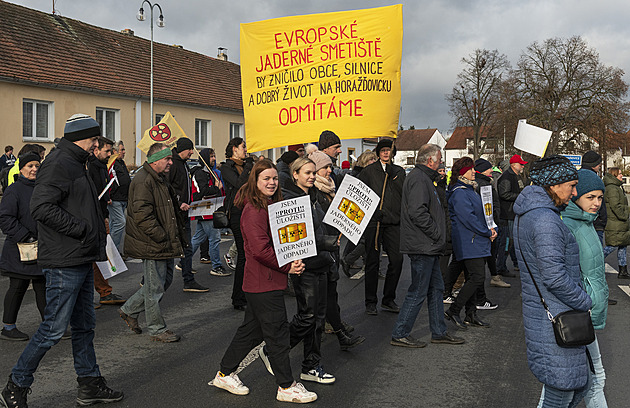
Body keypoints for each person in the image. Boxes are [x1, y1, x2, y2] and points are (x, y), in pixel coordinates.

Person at [0, 114, 123, 407]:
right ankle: (16, 385)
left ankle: (89, 384)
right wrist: (81, 229)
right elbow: (41, 207)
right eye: (95, 139)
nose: (98, 144)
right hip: (65, 259)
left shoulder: (77, 162)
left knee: (83, 326)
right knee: (54, 328)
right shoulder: (58, 164)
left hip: (80, 256)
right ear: (84, 137)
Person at [212, 159, 317, 404]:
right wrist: (288, 265)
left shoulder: (269, 205)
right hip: (263, 283)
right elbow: (260, 250)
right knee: (278, 335)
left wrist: (295, 258)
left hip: (264, 281)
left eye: (274, 178)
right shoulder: (254, 210)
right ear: (255, 182)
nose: (271, 183)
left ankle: (225, 373)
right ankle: (286, 386)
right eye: (265, 179)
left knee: (250, 333)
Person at [514, 155, 592, 408]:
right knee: (561, 392)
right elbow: (554, 276)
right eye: (571, 185)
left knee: (578, 385)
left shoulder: (532, 212)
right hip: (557, 316)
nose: (574, 191)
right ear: (553, 185)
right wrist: (584, 300)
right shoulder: (545, 219)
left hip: (547, 312)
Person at [390, 144, 465, 348]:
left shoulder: (424, 178)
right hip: (423, 245)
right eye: (439, 159)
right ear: (430, 160)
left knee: (435, 289)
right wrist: (437, 233)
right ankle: (400, 332)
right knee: (419, 290)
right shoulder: (418, 178)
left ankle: (439, 332)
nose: (441, 162)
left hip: (427, 244)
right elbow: (417, 212)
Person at [275, 157, 338, 382]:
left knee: (318, 318)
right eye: (307, 173)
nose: (312, 176)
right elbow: (299, 235)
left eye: (314, 172)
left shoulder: (312, 196)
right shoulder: (289, 199)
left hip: (321, 261)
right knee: (308, 316)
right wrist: (327, 243)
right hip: (304, 264)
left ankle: (311, 366)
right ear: (295, 174)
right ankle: (275, 350)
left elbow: (321, 226)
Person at [119, 143, 185, 343]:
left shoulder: (158, 178)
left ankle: (129, 310)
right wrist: (161, 235)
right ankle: (157, 329)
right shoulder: (143, 180)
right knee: (155, 287)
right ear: (156, 160)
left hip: (162, 241)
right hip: (152, 242)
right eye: (168, 159)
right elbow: (141, 214)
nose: (171, 163)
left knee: (162, 283)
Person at [561, 169, 609, 408]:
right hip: (580, 315)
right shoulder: (569, 225)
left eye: (600, 198)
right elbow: (566, 274)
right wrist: (585, 302)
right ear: (575, 195)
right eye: (590, 197)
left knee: (573, 385)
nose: (597, 203)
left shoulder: (587, 223)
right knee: (594, 379)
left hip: (585, 313)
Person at [307, 151, 365, 351]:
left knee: (330, 294)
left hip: (332, 247)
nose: (330, 171)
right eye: (325, 167)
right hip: (320, 250)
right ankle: (334, 332)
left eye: (330, 167)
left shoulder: (331, 189)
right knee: (320, 299)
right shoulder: (312, 192)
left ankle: (337, 328)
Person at [444, 157, 496, 330]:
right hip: (469, 241)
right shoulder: (460, 192)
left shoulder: (469, 189)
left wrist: (491, 229)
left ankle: (470, 314)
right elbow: (469, 219)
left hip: (474, 239)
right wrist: (487, 231)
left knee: (472, 277)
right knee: (477, 277)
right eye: (470, 169)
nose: (474, 171)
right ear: (462, 172)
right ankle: (454, 310)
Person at [358, 138, 406, 315]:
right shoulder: (369, 172)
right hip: (374, 223)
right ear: (378, 152)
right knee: (372, 262)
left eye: (389, 150)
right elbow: (360, 195)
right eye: (383, 150)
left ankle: (388, 298)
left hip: (394, 222)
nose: (386, 153)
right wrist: (371, 212)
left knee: (397, 260)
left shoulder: (399, 171)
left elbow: (404, 196)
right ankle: (370, 301)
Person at [0, 153, 45, 341]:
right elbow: (5, 219)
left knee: (43, 287)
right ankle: (8, 328)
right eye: (30, 166)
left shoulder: (43, 188)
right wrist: (26, 236)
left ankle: (50, 326)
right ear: (21, 168)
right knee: (17, 287)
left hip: (41, 248)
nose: (34, 169)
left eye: (37, 165)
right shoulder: (14, 189)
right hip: (19, 249)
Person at [87, 137, 126, 306]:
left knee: (100, 257)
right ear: (96, 150)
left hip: (101, 216)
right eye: (107, 151)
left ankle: (104, 292)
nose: (111, 154)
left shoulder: (102, 166)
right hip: (91, 219)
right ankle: (95, 294)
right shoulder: (90, 167)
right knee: (94, 258)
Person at [169, 138, 209, 292]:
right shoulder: (173, 164)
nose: (192, 152)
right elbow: (168, 187)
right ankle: (148, 280)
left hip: (184, 213)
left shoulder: (183, 163)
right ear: (182, 149)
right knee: (172, 248)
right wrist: (179, 202)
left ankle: (188, 279)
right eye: (190, 149)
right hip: (175, 214)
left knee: (186, 247)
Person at [222, 137, 255, 310]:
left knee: (249, 253)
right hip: (236, 213)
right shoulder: (227, 167)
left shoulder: (245, 165)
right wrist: (248, 167)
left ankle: (247, 293)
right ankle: (238, 298)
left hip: (250, 211)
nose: (246, 150)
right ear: (234, 149)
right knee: (242, 254)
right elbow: (238, 184)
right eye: (243, 147)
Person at [189, 148, 230, 277]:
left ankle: (184, 262)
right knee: (215, 238)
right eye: (211, 156)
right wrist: (216, 188)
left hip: (211, 209)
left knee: (197, 238)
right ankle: (216, 266)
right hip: (205, 210)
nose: (214, 159)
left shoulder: (211, 172)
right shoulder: (200, 173)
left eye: (214, 156)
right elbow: (203, 191)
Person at [474, 158, 510, 293]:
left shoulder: (484, 183)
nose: (491, 170)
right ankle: (478, 292)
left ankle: (494, 276)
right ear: (482, 170)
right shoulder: (483, 185)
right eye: (489, 168)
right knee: (486, 256)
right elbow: (487, 207)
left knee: (490, 254)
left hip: (490, 225)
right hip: (488, 226)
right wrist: (492, 224)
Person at [340, 151, 377, 277]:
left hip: (369, 211)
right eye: (370, 160)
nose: (373, 162)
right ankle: (348, 259)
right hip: (361, 212)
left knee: (366, 240)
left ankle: (368, 266)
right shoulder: (360, 175)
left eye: (374, 159)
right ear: (365, 162)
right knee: (365, 240)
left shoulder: (369, 174)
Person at [497, 154, 527, 276]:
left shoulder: (516, 176)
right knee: (507, 241)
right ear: (513, 165)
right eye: (520, 164)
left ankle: (514, 263)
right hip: (508, 214)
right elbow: (504, 194)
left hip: (513, 213)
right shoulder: (506, 177)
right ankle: (501, 267)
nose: (522, 167)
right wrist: (520, 196)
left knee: (512, 241)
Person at [602, 167, 630, 279]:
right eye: (619, 174)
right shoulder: (613, 188)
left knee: (622, 245)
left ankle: (623, 270)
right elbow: (615, 206)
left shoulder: (617, 187)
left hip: (619, 222)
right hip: (616, 222)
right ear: (614, 175)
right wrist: (624, 215)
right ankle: (593, 262)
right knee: (612, 246)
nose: (621, 175)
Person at [108, 141, 131, 255]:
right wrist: (110, 195)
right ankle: (112, 252)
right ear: (115, 151)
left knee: (114, 224)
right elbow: (110, 181)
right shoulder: (112, 164)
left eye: (124, 149)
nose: (124, 152)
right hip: (115, 199)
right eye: (121, 150)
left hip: (123, 198)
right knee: (120, 223)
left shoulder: (121, 163)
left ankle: (112, 252)